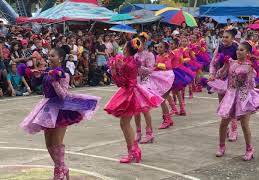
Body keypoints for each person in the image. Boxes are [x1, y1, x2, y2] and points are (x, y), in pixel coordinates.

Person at [20, 47, 101, 179]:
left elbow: (63, 95)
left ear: (60, 59)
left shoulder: (65, 74)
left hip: (60, 110)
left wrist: (55, 81)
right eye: (49, 55)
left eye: (53, 56)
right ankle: (63, 168)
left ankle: (59, 172)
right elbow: (38, 85)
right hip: (47, 109)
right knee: (48, 144)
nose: (49, 58)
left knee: (56, 142)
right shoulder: (47, 71)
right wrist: (33, 73)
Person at [104, 38, 163, 163]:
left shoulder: (127, 63)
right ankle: (134, 149)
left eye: (124, 47)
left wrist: (114, 71)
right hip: (132, 91)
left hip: (129, 93)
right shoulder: (131, 61)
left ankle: (133, 152)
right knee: (124, 123)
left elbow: (121, 83)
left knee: (124, 124)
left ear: (126, 49)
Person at [214, 42, 259, 160]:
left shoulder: (250, 65)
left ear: (248, 53)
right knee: (223, 123)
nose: (238, 52)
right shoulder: (231, 62)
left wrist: (256, 67)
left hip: (244, 96)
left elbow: (253, 83)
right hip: (230, 95)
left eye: (241, 50)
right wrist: (224, 65)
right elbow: (220, 75)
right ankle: (221, 147)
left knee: (244, 124)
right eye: (238, 50)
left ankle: (249, 149)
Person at [208, 28, 239, 142]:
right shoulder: (220, 47)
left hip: (233, 80)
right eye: (223, 37)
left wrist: (229, 65)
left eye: (227, 37)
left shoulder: (237, 48)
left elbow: (241, 63)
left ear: (232, 38)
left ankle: (234, 129)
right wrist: (212, 74)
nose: (224, 39)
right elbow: (213, 63)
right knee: (222, 105)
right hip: (221, 80)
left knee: (232, 105)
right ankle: (224, 128)